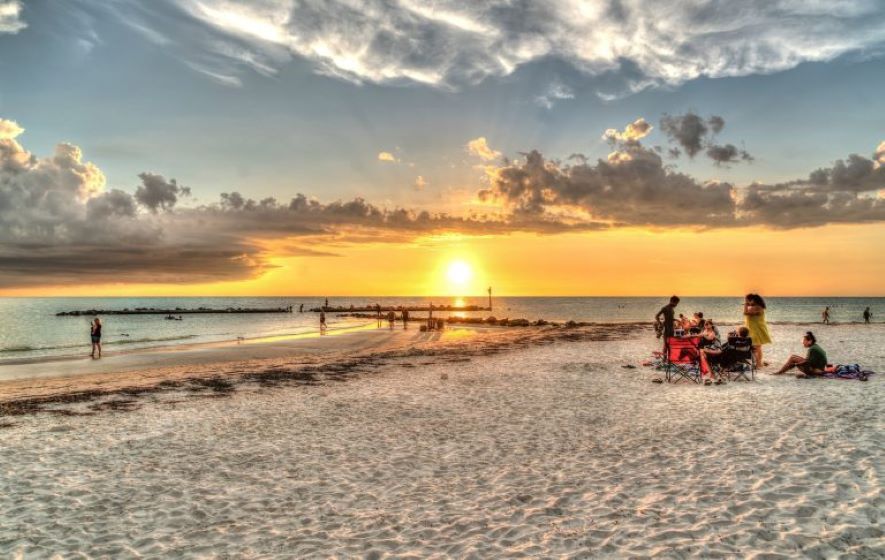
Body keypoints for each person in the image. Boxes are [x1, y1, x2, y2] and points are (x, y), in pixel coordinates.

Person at [743, 293, 771, 367]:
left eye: (747, 299)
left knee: (756, 347)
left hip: (756, 329)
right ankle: (759, 363)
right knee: (757, 347)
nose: (746, 301)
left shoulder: (757, 307)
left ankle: (758, 364)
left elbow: (745, 313)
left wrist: (745, 304)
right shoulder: (756, 307)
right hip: (755, 329)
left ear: (753, 300)